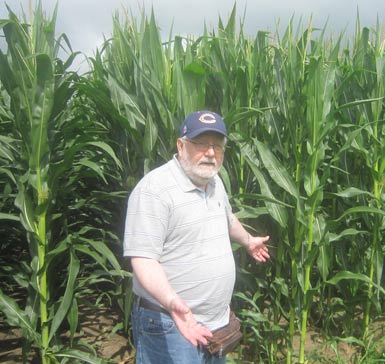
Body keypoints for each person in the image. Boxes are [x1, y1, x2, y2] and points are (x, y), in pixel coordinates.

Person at [123, 110, 270, 364]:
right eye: (201, 144)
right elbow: (143, 260)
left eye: (217, 145)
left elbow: (227, 218)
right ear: (181, 145)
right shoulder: (154, 190)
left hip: (216, 324)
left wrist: (247, 240)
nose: (211, 153)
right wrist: (172, 302)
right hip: (170, 323)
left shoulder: (214, 182)